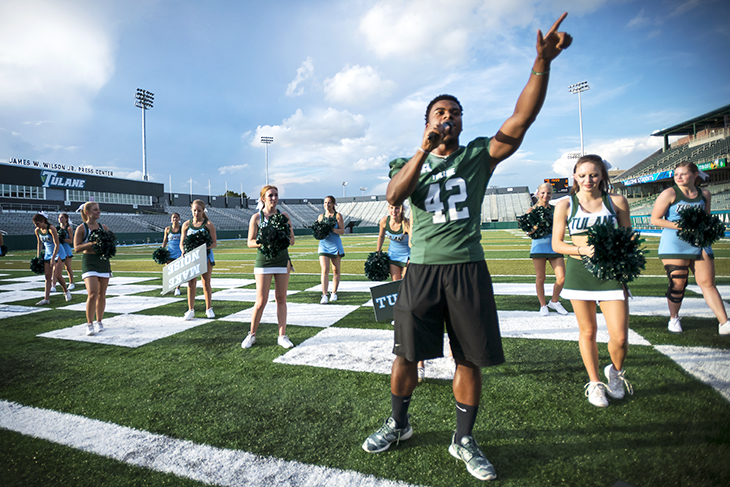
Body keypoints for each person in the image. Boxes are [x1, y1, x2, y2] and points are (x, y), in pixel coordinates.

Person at [361, 13, 572, 481]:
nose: (449, 117)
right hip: (421, 269)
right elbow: (395, 197)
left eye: (455, 112)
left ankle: (464, 438)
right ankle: (399, 424)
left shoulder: (477, 154)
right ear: (427, 121)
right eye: (441, 112)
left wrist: (541, 66)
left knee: (470, 358)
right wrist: (423, 149)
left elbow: (520, 121)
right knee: (406, 356)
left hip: (467, 269)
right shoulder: (406, 161)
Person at [552, 155, 633, 408]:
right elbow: (557, 244)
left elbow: (628, 237)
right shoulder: (565, 205)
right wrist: (582, 251)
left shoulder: (617, 201)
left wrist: (620, 255)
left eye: (594, 174)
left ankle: (615, 373)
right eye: (583, 174)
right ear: (575, 176)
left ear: (602, 176)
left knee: (619, 337)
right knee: (588, 331)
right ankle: (595, 383)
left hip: (611, 275)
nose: (588, 180)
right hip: (579, 273)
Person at [650, 161, 730, 335]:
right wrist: (682, 226)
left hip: (699, 242)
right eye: (676, 174)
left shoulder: (705, 194)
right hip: (674, 243)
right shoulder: (669, 193)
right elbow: (655, 219)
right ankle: (674, 318)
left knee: (708, 283)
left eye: (683, 174)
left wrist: (707, 231)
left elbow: (706, 217)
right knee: (678, 284)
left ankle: (724, 323)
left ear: (695, 175)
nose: (678, 177)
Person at [241, 185, 296, 349]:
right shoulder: (256, 217)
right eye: (270, 195)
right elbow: (250, 242)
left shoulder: (284, 216)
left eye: (276, 195)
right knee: (261, 301)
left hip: (282, 261)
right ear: (263, 198)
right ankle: (251, 334)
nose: (274, 198)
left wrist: (281, 239)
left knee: (281, 299)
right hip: (263, 262)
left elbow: (292, 240)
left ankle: (282, 336)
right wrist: (265, 241)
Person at [527, 183, 568, 316]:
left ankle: (554, 301)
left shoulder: (556, 209)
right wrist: (534, 229)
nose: (546, 195)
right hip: (539, 245)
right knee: (541, 277)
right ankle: (543, 305)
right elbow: (528, 232)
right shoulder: (531, 210)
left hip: (555, 245)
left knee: (562, 277)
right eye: (543, 193)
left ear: (552, 194)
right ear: (538, 193)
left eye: (549, 193)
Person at [73, 202, 111, 336]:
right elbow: (76, 248)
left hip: (103, 262)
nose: (98, 212)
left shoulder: (104, 227)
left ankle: (99, 321)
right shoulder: (81, 228)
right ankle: (89, 323)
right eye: (95, 210)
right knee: (93, 293)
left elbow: (109, 245)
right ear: (87, 212)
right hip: (89, 262)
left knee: (102, 294)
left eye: (98, 210)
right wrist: (92, 243)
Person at [180, 200, 217, 320]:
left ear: (203, 211)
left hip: (205, 256)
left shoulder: (208, 224)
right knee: (191, 283)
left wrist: (203, 247)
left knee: (206, 282)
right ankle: (190, 309)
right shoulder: (186, 224)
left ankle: (209, 308)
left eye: (199, 211)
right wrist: (183, 251)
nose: (196, 213)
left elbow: (214, 243)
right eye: (194, 210)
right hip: (191, 258)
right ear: (191, 210)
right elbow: (182, 243)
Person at [32, 212, 72, 306]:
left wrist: (53, 257)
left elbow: (57, 244)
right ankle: (46, 298)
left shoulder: (51, 228)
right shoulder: (37, 230)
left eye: (38, 223)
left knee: (58, 275)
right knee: (47, 276)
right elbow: (40, 243)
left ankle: (66, 291)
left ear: (43, 221)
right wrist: (38, 256)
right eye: (35, 224)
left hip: (58, 252)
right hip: (47, 253)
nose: (37, 226)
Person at [317, 195, 345, 304]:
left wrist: (331, 229)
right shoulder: (320, 217)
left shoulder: (338, 216)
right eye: (325, 203)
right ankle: (324, 294)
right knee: (324, 269)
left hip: (335, 244)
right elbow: (318, 231)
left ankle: (334, 292)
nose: (327, 205)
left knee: (336, 270)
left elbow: (342, 231)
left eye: (329, 202)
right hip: (324, 244)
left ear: (333, 204)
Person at [162, 212, 183, 296]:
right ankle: (169, 287)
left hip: (178, 251)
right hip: (169, 252)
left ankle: (177, 288)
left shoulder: (182, 229)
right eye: (173, 217)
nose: (175, 219)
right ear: (171, 219)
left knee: (178, 271)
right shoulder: (167, 229)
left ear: (179, 219)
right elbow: (165, 240)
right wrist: (162, 249)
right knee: (168, 270)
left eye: (176, 217)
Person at [55, 212, 76, 291]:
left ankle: (71, 283)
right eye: (59, 217)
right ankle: (54, 284)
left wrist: (62, 239)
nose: (60, 219)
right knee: (56, 268)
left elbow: (71, 241)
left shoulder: (69, 228)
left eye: (62, 217)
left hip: (66, 248)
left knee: (68, 267)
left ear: (66, 219)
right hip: (59, 249)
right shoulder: (56, 228)